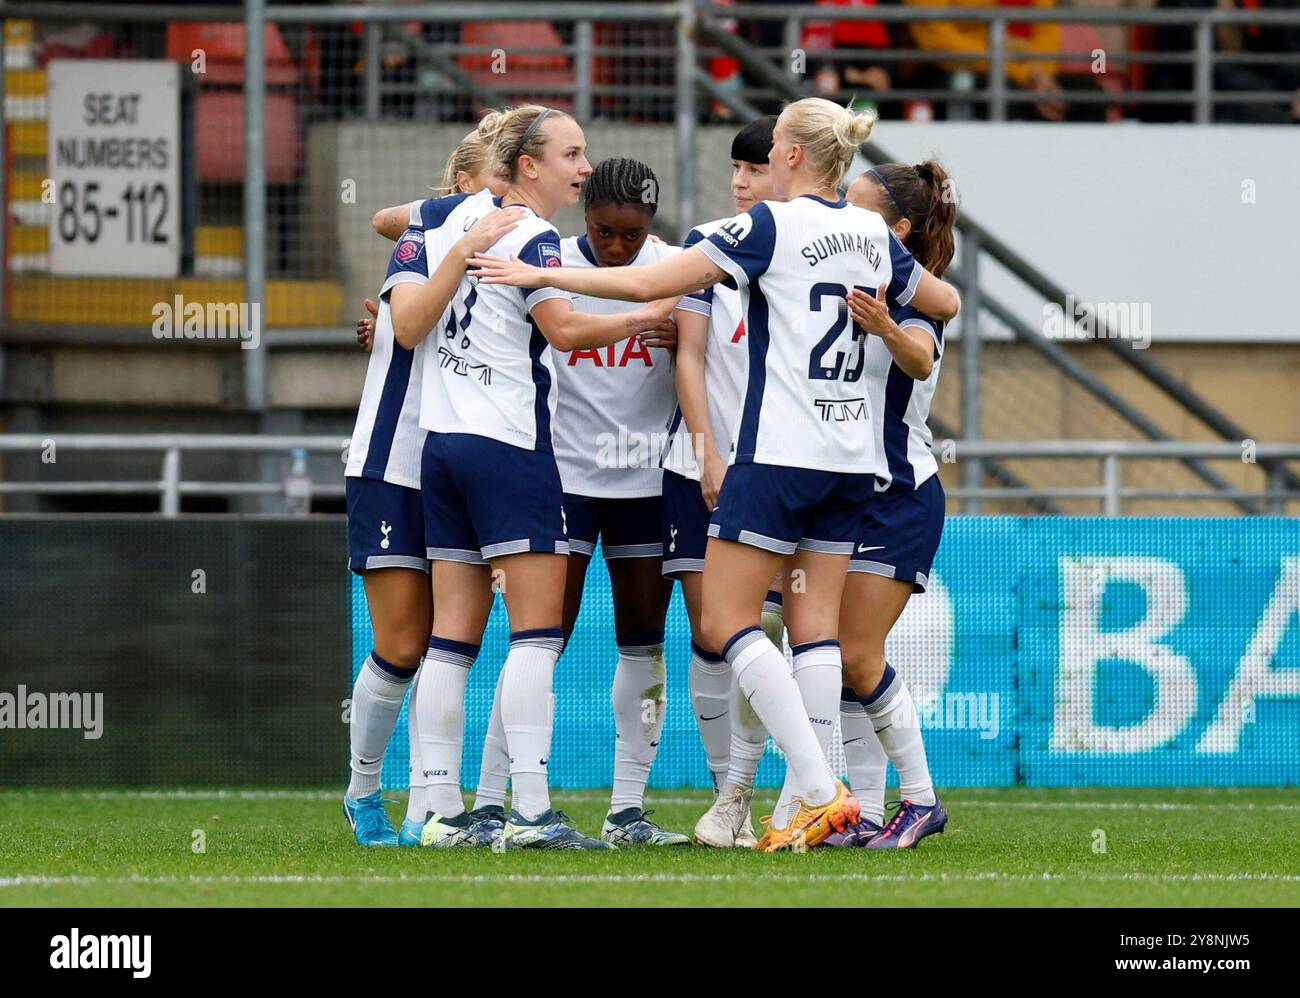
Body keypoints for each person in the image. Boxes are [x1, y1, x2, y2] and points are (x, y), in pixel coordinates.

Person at [469, 97, 960, 851]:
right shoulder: (867, 231)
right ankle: (810, 797)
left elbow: (643, 284)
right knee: (815, 633)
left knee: (727, 623)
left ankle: (818, 788)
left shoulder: (768, 226)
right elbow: (946, 299)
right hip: (852, 461)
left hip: (779, 455)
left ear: (790, 155)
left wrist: (517, 272)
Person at [389, 105, 679, 850]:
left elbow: (397, 251)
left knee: (452, 640)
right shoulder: (533, 234)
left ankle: (437, 813)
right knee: (535, 635)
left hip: (443, 445)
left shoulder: (455, 218)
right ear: (528, 164)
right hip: (510, 447)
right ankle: (529, 813)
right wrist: (651, 314)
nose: (582, 168)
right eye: (571, 155)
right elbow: (566, 331)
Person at [341, 114, 519, 847]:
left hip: (461, 462)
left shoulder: (513, 258)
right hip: (394, 462)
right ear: (462, 188)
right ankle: (363, 792)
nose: (509, 206)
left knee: (452, 640)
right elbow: (407, 323)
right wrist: (457, 233)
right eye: (496, 188)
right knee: (403, 640)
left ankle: (431, 804)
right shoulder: (429, 239)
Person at [823, 160, 958, 849]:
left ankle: (922, 799)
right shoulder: (843, 280)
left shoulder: (915, 297)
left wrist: (883, 325)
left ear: (899, 230)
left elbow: (922, 359)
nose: (845, 217)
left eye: (861, 209)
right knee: (842, 658)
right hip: (845, 493)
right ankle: (868, 813)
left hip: (900, 496)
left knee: (856, 652)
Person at [660, 115, 783, 848]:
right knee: (712, 634)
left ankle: (807, 789)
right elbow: (689, 356)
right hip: (697, 467)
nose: (740, 181)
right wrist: (707, 452)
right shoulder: (709, 243)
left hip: (782, 471)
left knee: (777, 631)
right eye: (736, 168)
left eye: (755, 168)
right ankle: (725, 797)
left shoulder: (807, 250)